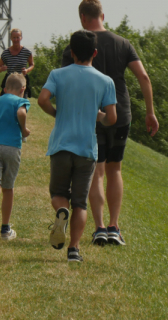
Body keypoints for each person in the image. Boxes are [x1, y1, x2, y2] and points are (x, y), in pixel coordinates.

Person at [61, 0, 159, 246]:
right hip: (121, 114)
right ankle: (115, 227)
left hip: (92, 116)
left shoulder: (74, 48)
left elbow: (68, 84)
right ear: (102, 16)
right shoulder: (123, 43)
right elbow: (144, 77)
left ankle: (100, 228)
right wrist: (150, 112)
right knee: (115, 169)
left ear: (83, 18)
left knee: (97, 171)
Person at [38, 30, 117, 262]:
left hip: (61, 145)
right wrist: (98, 116)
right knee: (81, 203)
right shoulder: (105, 81)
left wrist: (56, 113)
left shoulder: (57, 74)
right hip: (86, 149)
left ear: (71, 52)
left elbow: (42, 99)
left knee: (58, 194)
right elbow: (112, 118)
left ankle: (61, 213)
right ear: (95, 53)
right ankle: (74, 250)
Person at [0, 72, 31, 242]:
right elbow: (22, 113)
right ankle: (5, 229)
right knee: (8, 188)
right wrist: (24, 129)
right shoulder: (20, 101)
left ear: (4, 89)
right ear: (22, 89)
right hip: (12, 147)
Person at [0, 28, 35, 97]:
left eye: (18, 37)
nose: (16, 40)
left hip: (21, 79)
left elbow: (32, 64)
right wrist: (1, 69)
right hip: (10, 80)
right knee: (6, 99)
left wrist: (27, 70)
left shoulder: (27, 52)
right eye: (14, 38)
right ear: (11, 38)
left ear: (21, 38)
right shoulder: (5, 53)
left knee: (22, 101)